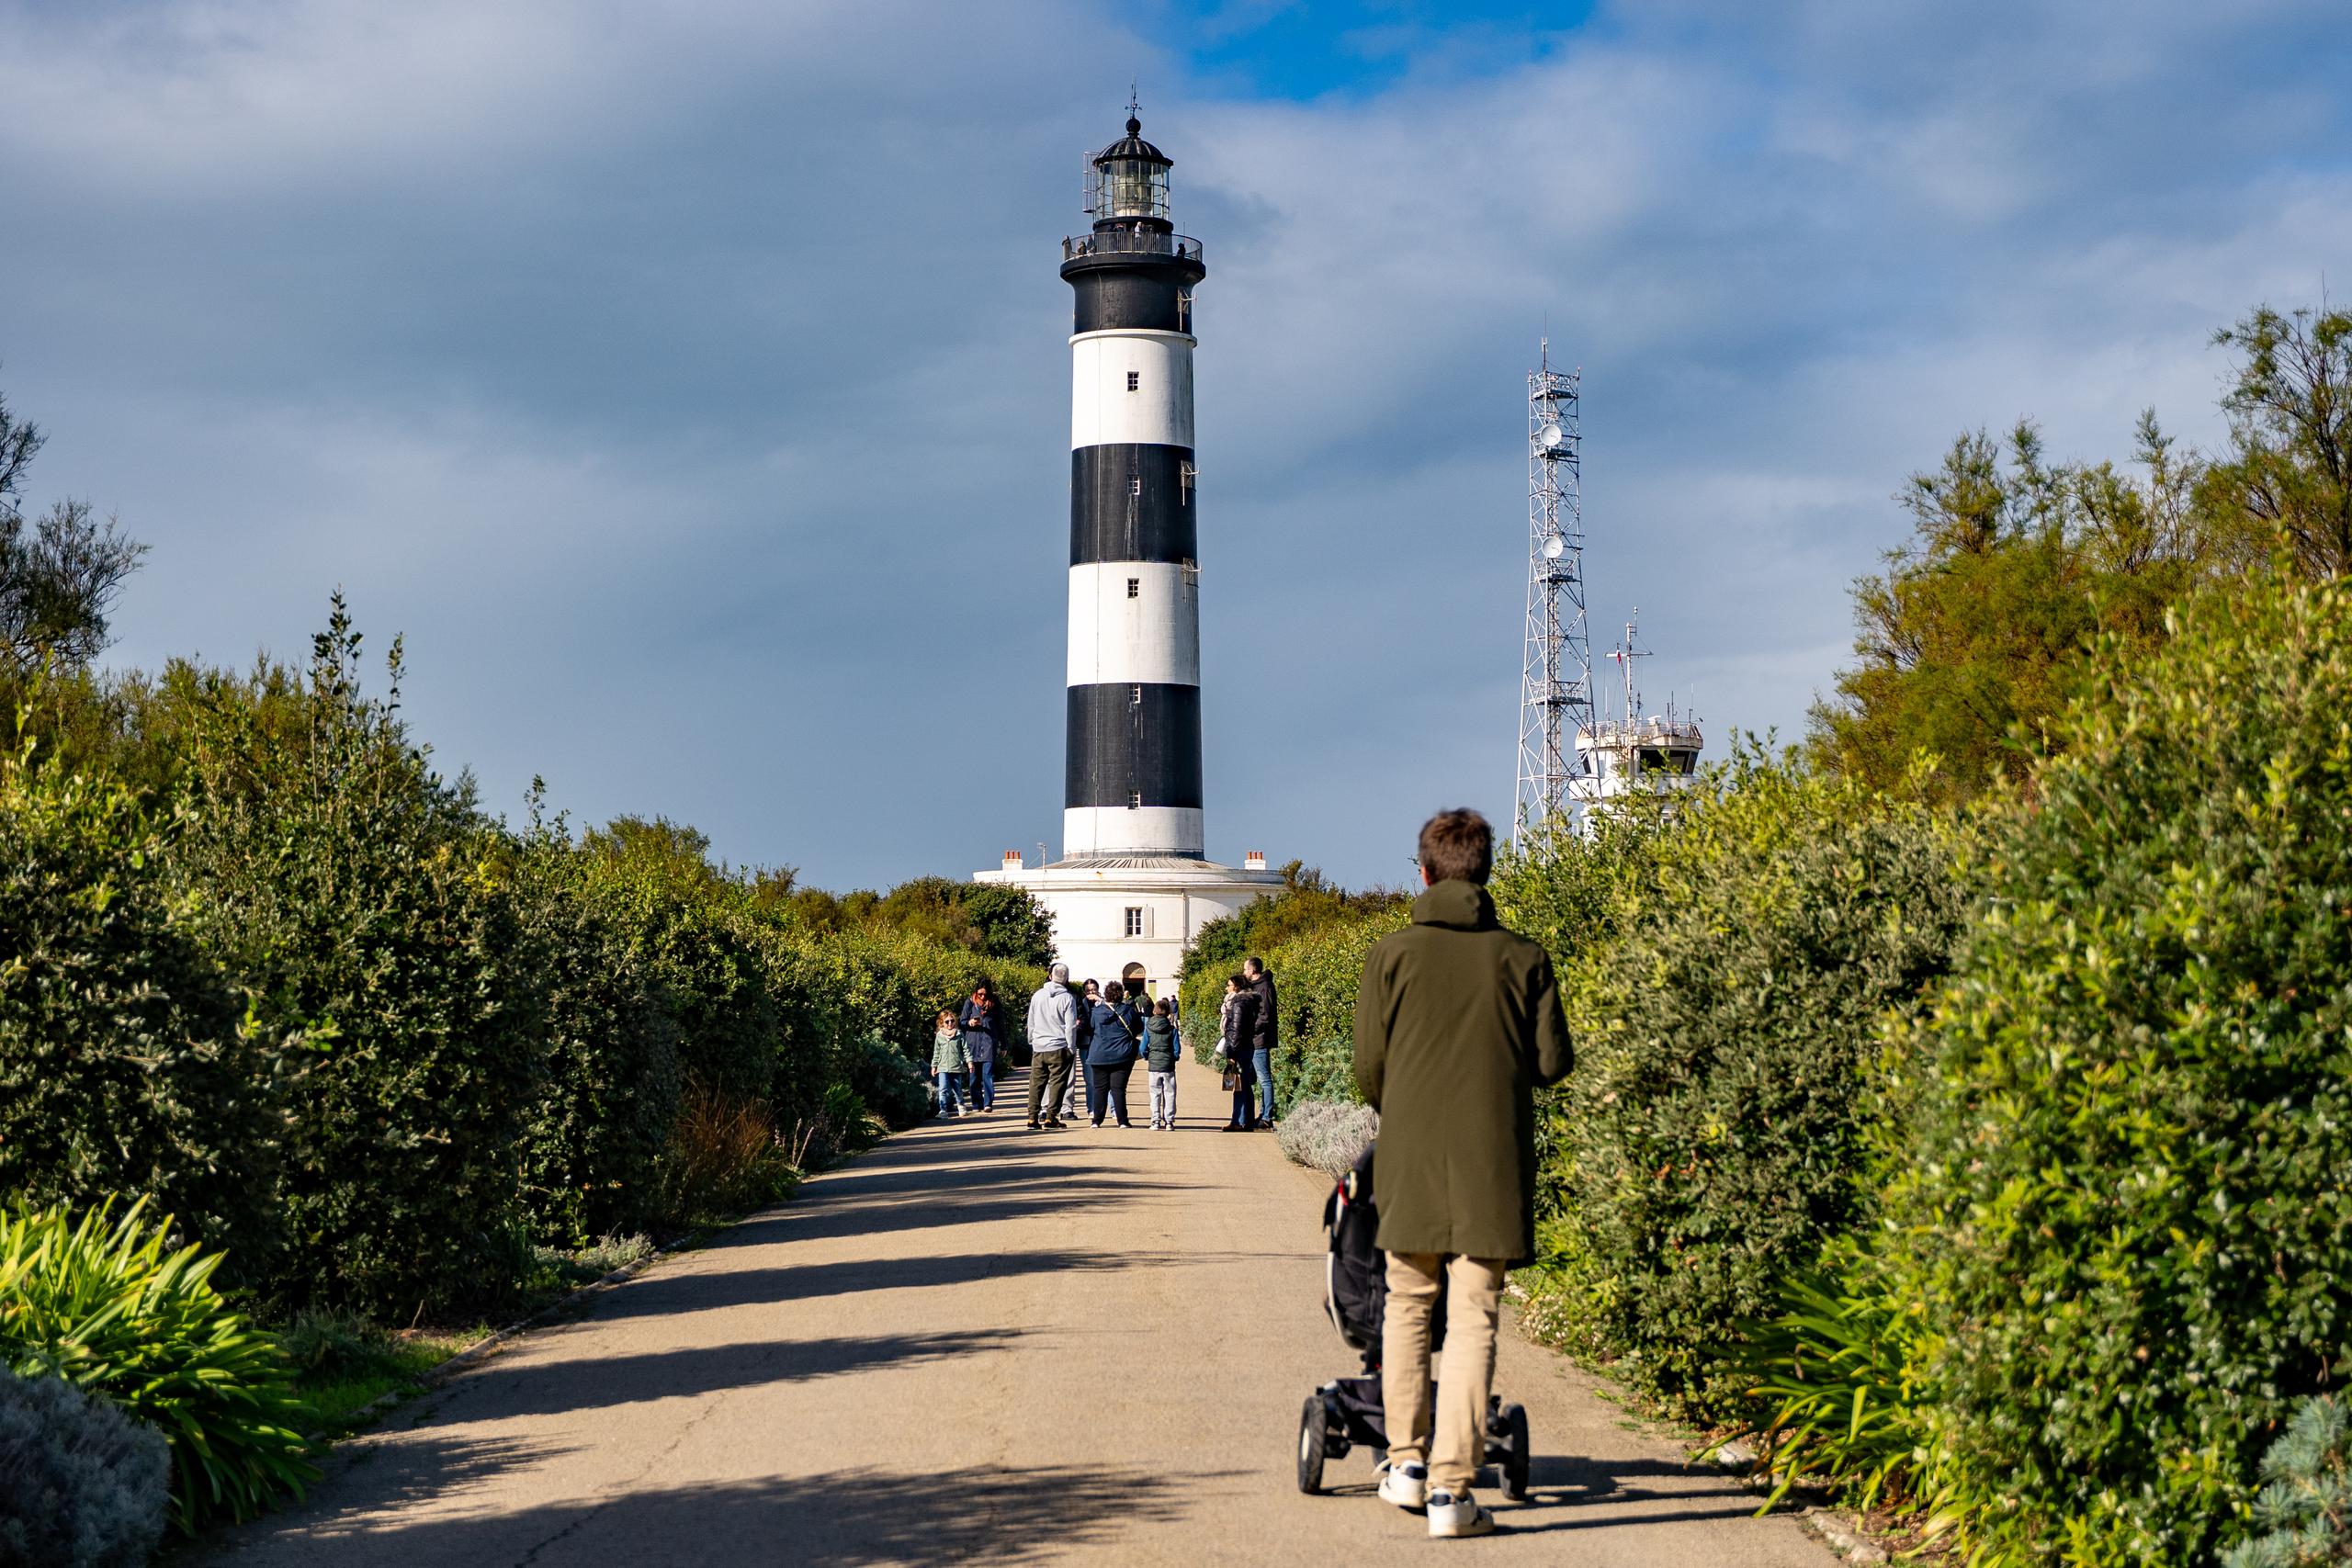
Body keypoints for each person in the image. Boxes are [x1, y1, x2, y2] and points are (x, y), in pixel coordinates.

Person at [1353, 808, 1573, 1539]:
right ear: (1484, 872)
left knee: (1408, 1306)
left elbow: (1369, 1069)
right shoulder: (1525, 956)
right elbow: (1552, 1064)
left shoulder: (1390, 954)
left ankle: (1407, 1463)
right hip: (1491, 1165)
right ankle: (1453, 1490)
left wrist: (1408, 1107)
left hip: (1411, 1161)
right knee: (1474, 1316)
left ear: (1423, 871)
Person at [1024, 964, 1080, 1130]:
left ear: (1050, 976)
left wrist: (1031, 1041)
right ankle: (1051, 1117)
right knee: (1057, 1082)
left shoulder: (1037, 995)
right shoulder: (1067, 998)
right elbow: (1070, 1026)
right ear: (1066, 979)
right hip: (1058, 1045)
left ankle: (1032, 1118)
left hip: (1039, 1045)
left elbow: (1031, 1021)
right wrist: (1071, 1047)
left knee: (1036, 1083)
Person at [1084, 977, 1141, 1128]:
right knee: (1119, 1089)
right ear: (1121, 995)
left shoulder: (1096, 1012)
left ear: (1105, 995)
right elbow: (1138, 1028)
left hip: (1098, 1054)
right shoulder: (1128, 1011)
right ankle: (1122, 1120)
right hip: (1122, 1054)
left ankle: (1096, 1120)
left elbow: (1090, 1029)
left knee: (1099, 1089)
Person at [1216, 974, 1257, 1131]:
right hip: (1246, 1047)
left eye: (1229, 985)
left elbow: (1236, 1030)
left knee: (1239, 1086)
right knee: (1245, 1085)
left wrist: (1232, 1052)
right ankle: (1246, 1120)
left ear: (1237, 987)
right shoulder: (1248, 1001)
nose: (1227, 988)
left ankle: (1238, 1122)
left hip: (1239, 1048)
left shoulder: (1238, 1004)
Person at [1244, 954, 1280, 1129]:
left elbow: (1265, 1016)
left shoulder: (1264, 987)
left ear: (1252, 970)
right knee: (1252, 1078)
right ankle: (1262, 1114)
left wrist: (1250, 1028)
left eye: (1245, 969)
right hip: (1254, 1039)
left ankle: (1267, 1117)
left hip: (1259, 1039)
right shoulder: (1257, 986)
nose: (1244, 972)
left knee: (1265, 1079)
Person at [958, 983, 1002, 1113]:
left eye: (985, 994)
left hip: (989, 1043)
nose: (983, 997)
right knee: (974, 1077)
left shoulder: (995, 1004)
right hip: (973, 1043)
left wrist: (1003, 1044)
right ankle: (977, 1103)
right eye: (980, 994)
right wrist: (970, 1023)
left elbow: (1001, 1024)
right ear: (976, 993)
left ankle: (988, 1103)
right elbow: (962, 1021)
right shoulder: (970, 1002)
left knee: (987, 1075)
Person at [1142, 996, 1181, 1130]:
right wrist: (1173, 1058)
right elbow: (1176, 1049)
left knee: (1155, 1093)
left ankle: (1155, 1120)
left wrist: (1147, 1057)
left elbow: (1143, 1048)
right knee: (1169, 1093)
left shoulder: (1148, 1028)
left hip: (1153, 1065)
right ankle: (1169, 1121)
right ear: (1168, 1013)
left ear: (1154, 1012)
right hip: (1168, 1065)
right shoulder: (1172, 1030)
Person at [1066, 979, 1100, 1121]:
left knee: (1100, 1079)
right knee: (1089, 1079)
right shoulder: (1081, 1003)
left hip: (1100, 1045)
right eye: (1087, 990)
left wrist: (1099, 1002)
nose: (1090, 993)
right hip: (1085, 1044)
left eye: (1093, 989)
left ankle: (1100, 1107)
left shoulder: (1102, 1003)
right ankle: (1091, 1108)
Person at [930, 1009, 971, 1119]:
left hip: (956, 1066)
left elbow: (965, 1049)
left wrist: (969, 1062)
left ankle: (961, 1106)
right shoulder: (939, 1035)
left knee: (957, 1089)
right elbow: (936, 1052)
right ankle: (943, 1110)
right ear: (941, 1023)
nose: (950, 1023)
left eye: (952, 1021)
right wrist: (934, 1066)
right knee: (942, 1089)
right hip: (942, 1067)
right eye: (947, 1021)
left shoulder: (959, 1034)